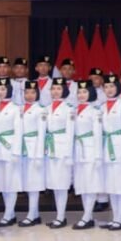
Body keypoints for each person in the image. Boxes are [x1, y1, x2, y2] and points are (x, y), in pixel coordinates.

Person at [98, 75, 121, 230]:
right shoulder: (102, 107)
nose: (109, 89)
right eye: (106, 87)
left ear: (117, 88)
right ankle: (114, 217)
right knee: (111, 185)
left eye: (112, 86)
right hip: (107, 147)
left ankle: (120, 218)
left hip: (120, 148)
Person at [71, 80, 104, 230]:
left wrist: (98, 156)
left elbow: (98, 135)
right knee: (82, 184)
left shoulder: (95, 111)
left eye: (85, 92)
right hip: (78, 151)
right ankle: (88, 216)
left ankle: (86, 215)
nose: (81, 95)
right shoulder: (74, 110)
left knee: (90, 184)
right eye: (79, 92)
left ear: (91, 93)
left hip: (90, 150)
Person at [0, 78, 22, 227]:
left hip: (10, 148)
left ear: (9, 90)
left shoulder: (15, 109)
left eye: (3, 89)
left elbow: (19, 131)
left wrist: (16, 152)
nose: (0, 92)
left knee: (11, 182)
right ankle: (10, 213)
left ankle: (8, 214)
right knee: (2, 182)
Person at [43, 78, 73, 228]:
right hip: (50, 149)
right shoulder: (47, 108)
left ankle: (61, 217)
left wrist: (68, 154)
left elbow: (70, 132)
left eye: (59, 89)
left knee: (62, 184)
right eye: (53, 88)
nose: (55, 91)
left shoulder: (69, 109)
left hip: (62, 149)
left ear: (64, 91)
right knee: (55, 184)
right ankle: (58, 216)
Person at [18, 81, 47, 227]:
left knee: (34, 183)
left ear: (38, 94)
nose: (29, 95)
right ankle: (35, 214)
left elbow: (42, 133)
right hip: (22, 149)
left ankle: (31, 214)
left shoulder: (40, 110)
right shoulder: (20, 108)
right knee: (27, 182)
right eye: (27, 92)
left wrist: (39, 154)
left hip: (34, 148)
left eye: (33, 92)